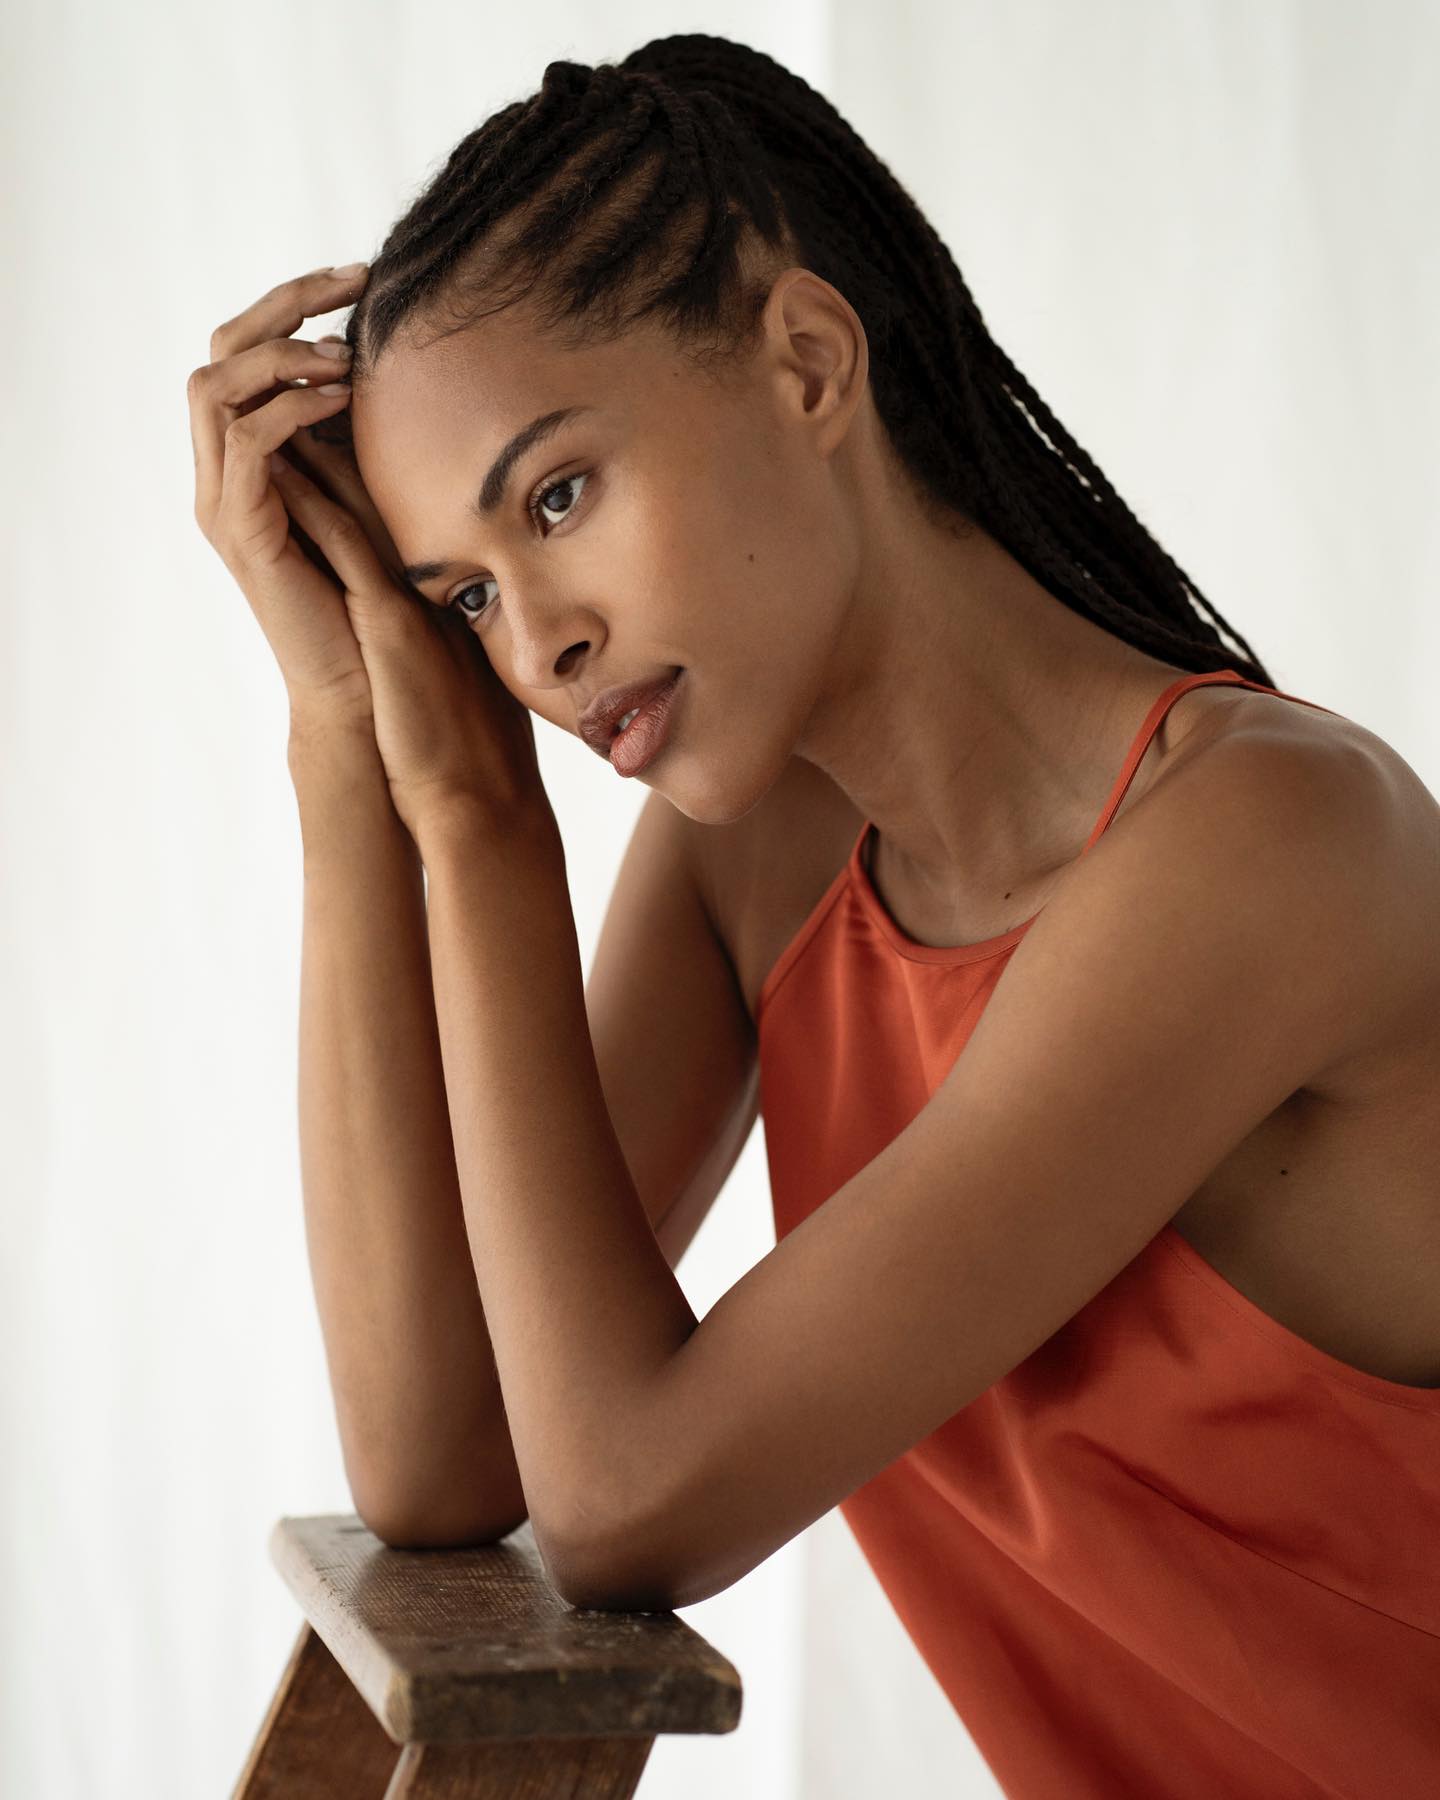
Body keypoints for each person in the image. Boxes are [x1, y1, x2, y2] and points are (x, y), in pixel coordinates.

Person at [188, 33, 1440, 1798]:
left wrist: (481, 827)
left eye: (558, 497)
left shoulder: (1270, 846)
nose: (533, 647)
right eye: (463, 597)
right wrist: (353, 752)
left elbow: (625, 1504)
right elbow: (446, 1457)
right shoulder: (765, 849)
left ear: (806, 360)